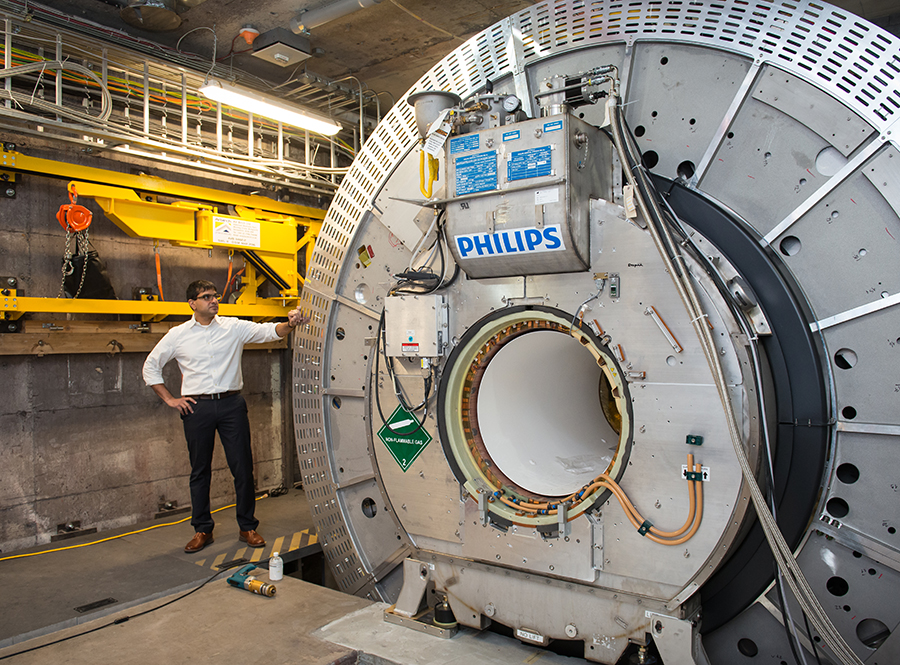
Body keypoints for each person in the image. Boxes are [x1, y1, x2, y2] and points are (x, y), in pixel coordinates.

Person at [142, 279, 308, 553]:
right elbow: (151, 367)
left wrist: (289, 323)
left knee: (242, 467)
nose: (214, 300)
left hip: (231, 405)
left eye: (215, 295)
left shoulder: (233, 327)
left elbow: (269, 331)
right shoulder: (178, 334)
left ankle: (247, 527)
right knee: (200, 471)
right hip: (198, 408)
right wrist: (170, 399)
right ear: (192, 303)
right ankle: (202, 530)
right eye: (206, 296)